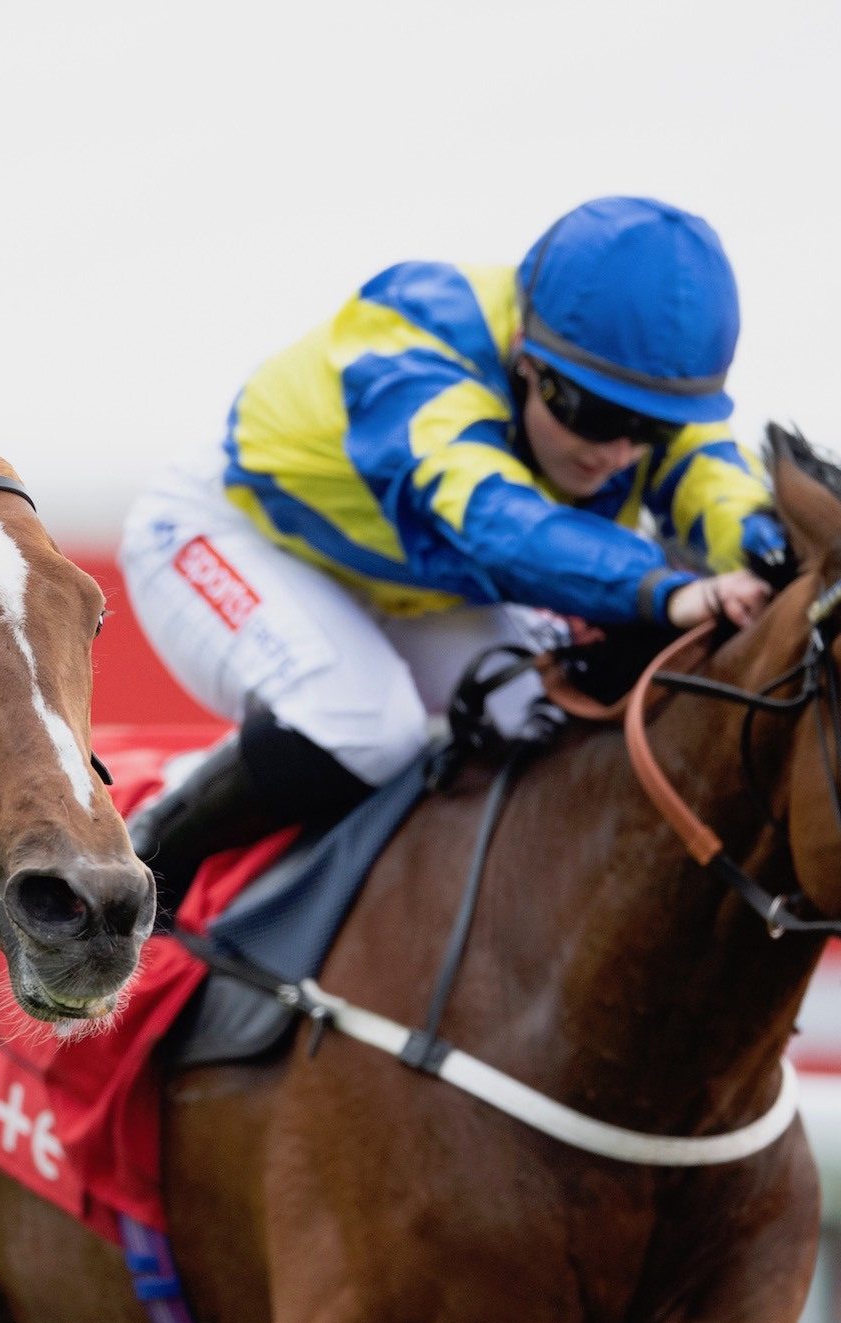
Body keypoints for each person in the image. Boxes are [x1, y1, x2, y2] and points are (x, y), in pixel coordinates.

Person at [121, 196, 788, 899]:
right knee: (367, 725)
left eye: (651, 429)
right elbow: (497, 522)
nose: (618, 453)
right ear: (527, 361)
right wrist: (668, 589)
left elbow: (719, 481)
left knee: (541, 719)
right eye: (593, 415)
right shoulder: (416, 341)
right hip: (230, 531)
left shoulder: (618, 371)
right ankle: (131, 870)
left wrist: (770, 551)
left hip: (416, 585)